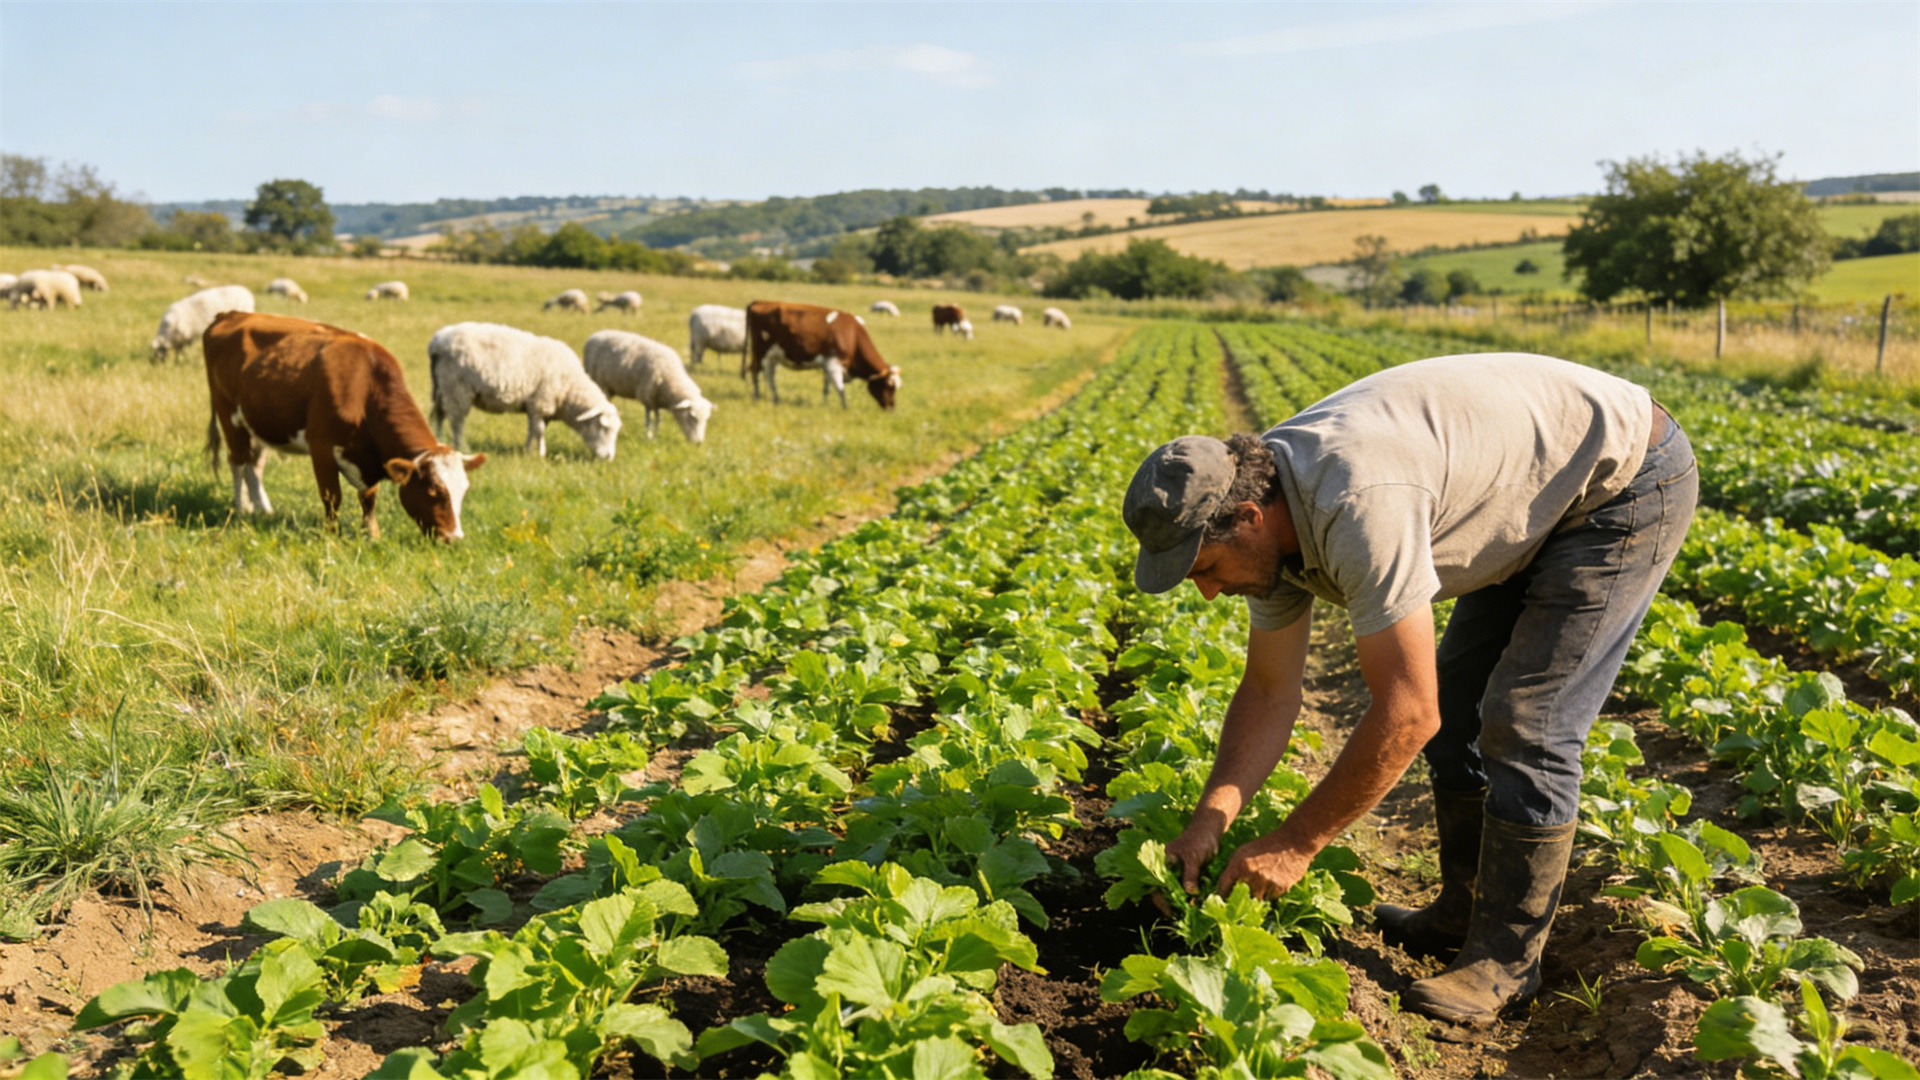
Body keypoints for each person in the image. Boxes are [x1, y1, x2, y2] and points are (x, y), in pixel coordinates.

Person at [1121, 351, 1697, 1025]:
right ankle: (1463, 910)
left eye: (1206, 569)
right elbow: (1270, 692)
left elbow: (1408, 712)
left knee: (1527, 721)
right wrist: (1208, 820)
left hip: (1618, 479)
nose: (1208, 590)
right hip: (1527, 485)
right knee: (1459, 703)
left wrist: (1295, 843)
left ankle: (1507, 962)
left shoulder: (1356, 504)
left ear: (1248, 516)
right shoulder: (1269, 525)